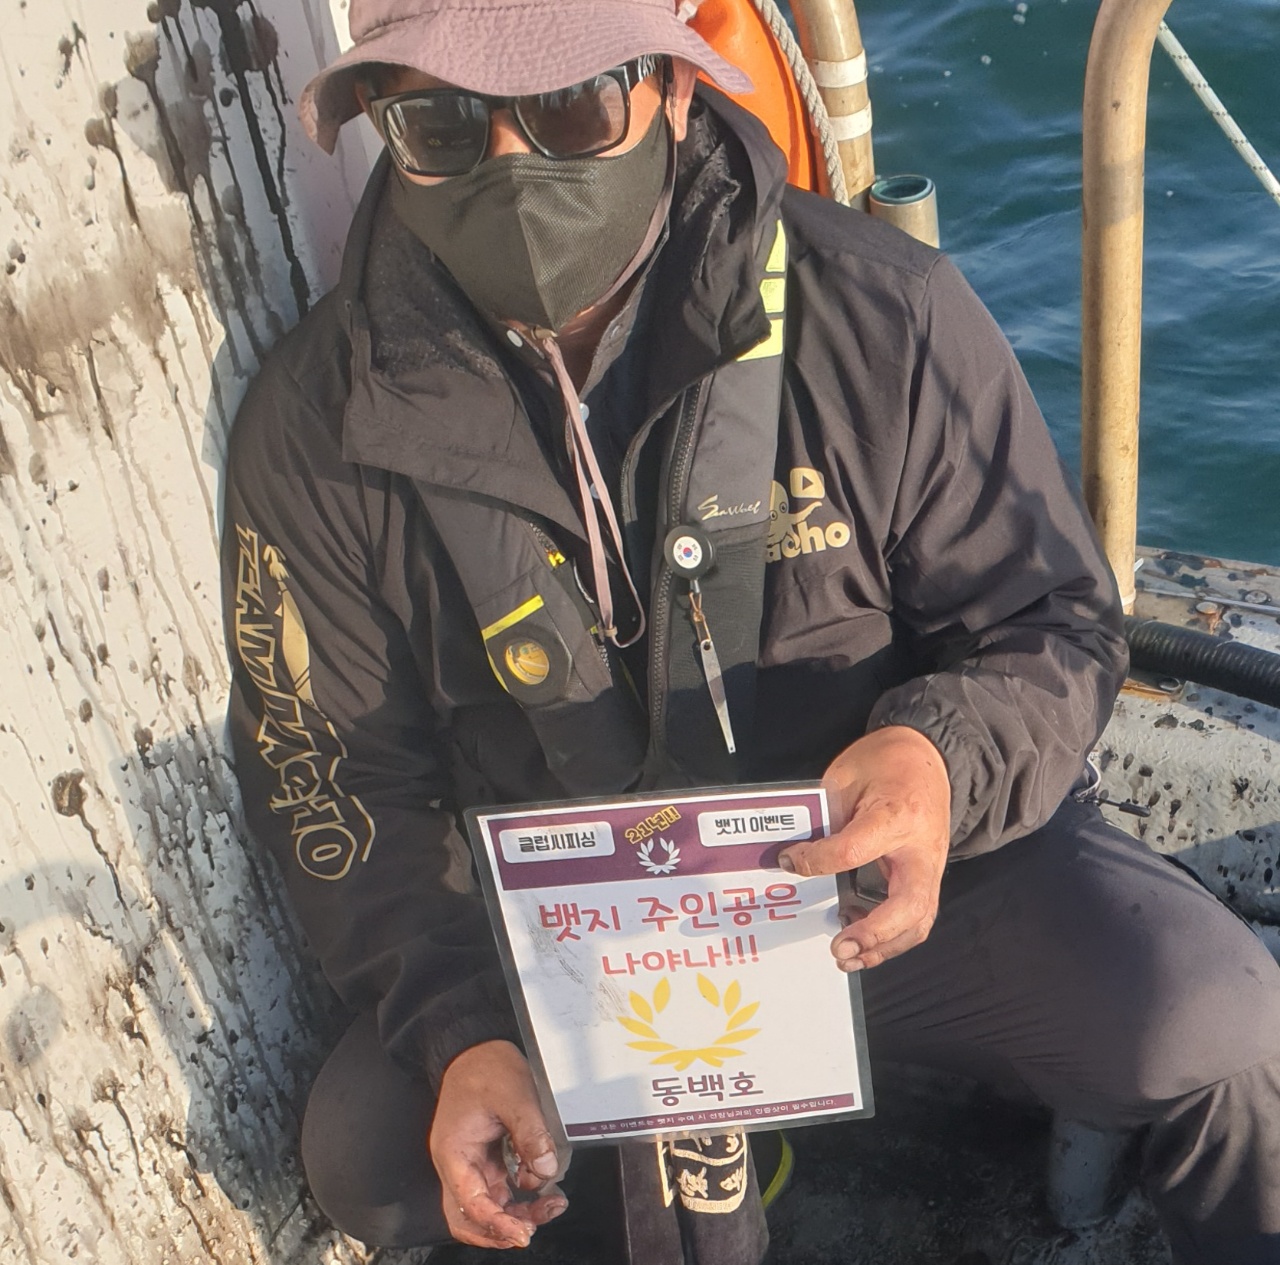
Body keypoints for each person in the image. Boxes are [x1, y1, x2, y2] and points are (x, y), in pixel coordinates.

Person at [220, 0, 1280, 1260]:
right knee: (373, 1156)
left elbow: (1048, 616)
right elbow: (339, 776)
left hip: (871, 899)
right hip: (568, 953)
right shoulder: (312, 423)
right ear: (383, 129)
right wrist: (461, 1031)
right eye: (443, 125)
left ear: (672, 90)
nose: (515, 170)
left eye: (570, 108)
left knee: (1209, 1019)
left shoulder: (883, 310)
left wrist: (936, 757)